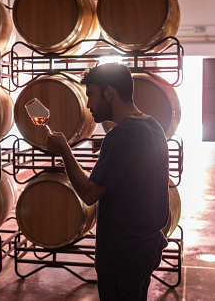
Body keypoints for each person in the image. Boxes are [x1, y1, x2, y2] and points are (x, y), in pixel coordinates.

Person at [46, 62, 170, 301]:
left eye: (91, 95)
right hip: (145, 251)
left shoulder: (121, 135)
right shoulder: (152, 126)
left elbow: (89, 193)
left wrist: (64, 150)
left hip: (122, 259)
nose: (88, 104)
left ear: (109, 93)